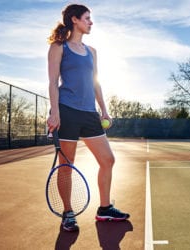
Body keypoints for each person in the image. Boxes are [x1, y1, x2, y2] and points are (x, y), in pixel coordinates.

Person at [47, 4, 129, 232]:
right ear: (75, 20)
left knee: (108, 160)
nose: (91, 22)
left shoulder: (92, 51)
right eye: (87, 18)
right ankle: (68, 213)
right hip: (67, 111)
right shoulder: (58, 47)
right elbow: (53, 82)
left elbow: (96, 82)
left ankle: (104, 209)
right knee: (66, 166)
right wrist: (55, 112)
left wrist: (104, 109)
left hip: (89, 113)